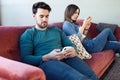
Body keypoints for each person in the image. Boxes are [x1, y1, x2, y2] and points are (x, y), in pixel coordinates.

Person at [20, 2, 99, 80]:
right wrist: (47, 57)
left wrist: (73, 50)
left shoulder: (56, 30)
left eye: (47, 16)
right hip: (48, 63)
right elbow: (25, 58)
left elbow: (70, 44)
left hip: (67, 57)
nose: (45, 19)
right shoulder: (28, 34)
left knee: (91, 75)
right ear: (34, 16)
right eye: (41, 16)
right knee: (78, 78)